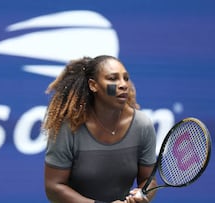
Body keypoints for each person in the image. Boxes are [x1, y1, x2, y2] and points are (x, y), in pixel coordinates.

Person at [42, 55, 157, 203]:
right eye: (112, 78)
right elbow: (54, 187)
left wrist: (143, 194)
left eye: (126, 78)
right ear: (93, 85)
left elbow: (148, 179)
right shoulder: (69, 127)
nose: (123, 85)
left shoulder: (142, 125)